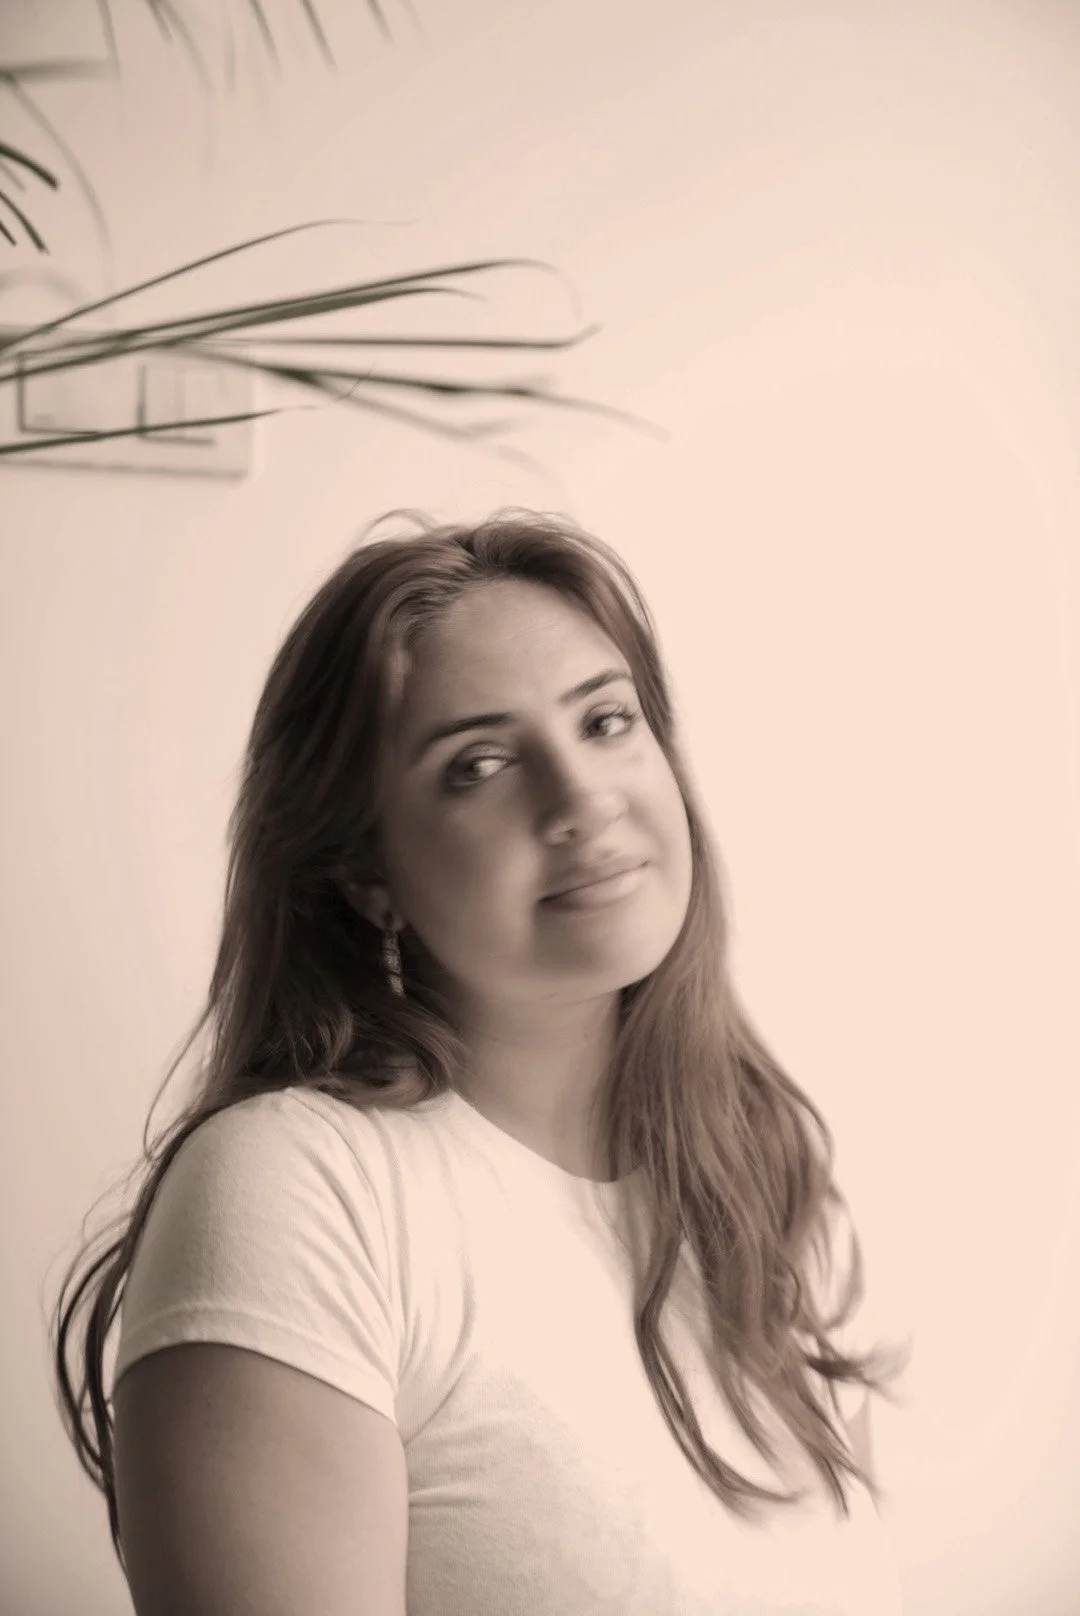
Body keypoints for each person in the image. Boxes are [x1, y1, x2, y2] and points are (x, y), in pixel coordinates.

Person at [51, 508, 910, 1615]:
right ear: (365, 871)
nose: (583, 796)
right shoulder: (302, 1191)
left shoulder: (751, 1187)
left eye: (607, 720)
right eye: (482, 763)